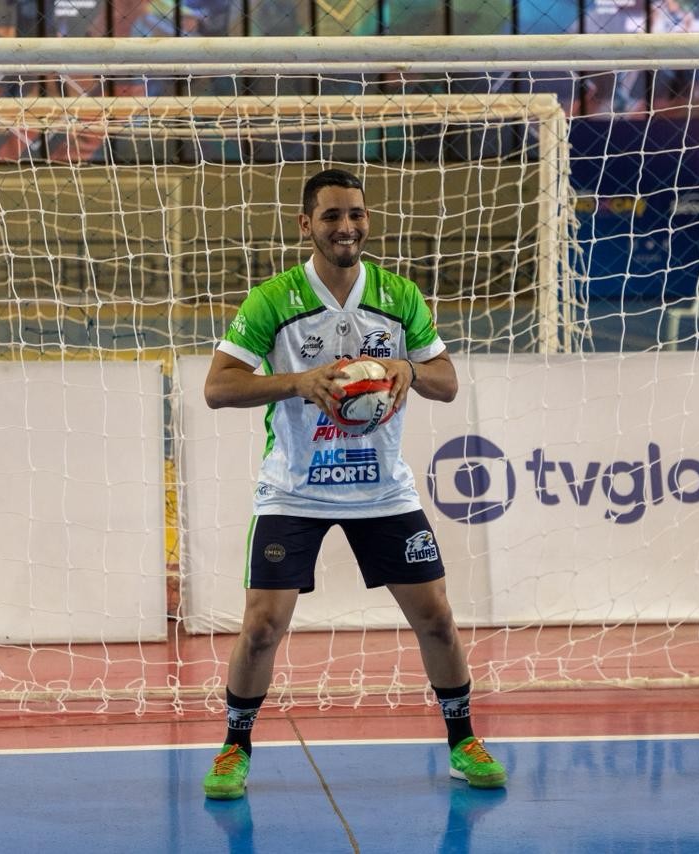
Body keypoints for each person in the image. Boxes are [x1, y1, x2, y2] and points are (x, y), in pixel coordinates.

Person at [200, 168, 507, 800]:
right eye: (333, 216)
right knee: (261, 627)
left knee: (438, 620)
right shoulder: (273, 300)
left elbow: (446, 381)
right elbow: (217, 387)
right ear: (306, 225)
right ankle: (235, 747)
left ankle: (463, 740)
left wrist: (405, 368)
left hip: (382, 491)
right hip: (295, 489)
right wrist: (298, 381)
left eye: (357, 215)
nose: (347, 226)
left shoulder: (398, 296)